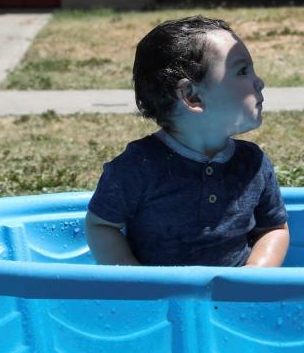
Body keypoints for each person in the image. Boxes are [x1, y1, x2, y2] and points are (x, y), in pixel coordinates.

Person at [85, 16, 289, 267]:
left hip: (231, 303)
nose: (259, 82)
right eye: (242, 71)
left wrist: (255, 275)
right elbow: (101, 225)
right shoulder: (139, 166)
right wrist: (137, 283)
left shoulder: (252, 163)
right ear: (192, 96)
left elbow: (275, 228)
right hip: (162, 302)